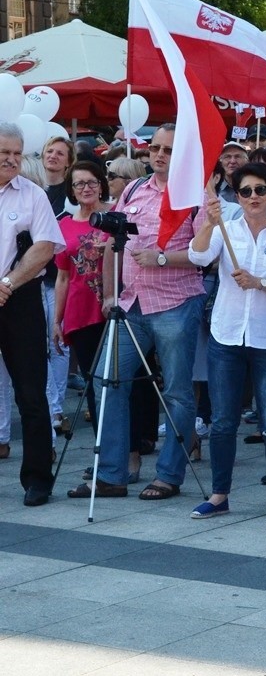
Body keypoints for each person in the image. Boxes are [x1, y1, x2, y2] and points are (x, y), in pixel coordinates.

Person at [67, 124, 206, 500]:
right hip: (131, 304)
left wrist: (161, 258)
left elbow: (204, 255)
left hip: (174, 303)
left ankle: (169, 475)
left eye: (169, 150)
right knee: (106, 380)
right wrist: (110, 294)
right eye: (156, 148)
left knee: (176, 392)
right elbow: (116, 243)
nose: (159, 155)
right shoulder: (133, 188)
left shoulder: (195, 196)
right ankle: (112, 474)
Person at [187, 162, 266, 524]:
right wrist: (209, 222)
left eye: (260, 189)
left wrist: (262, 283)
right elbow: (198, 256)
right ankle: (220, 494)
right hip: (227, 334)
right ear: (236, 196)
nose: (253, 197)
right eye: (245, 191)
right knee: (223, 421)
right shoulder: (228, 228)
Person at [0, 122, 65, 506]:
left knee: (31, 392)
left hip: (19, 298)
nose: (11, 160)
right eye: (3, 152)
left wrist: (7, 284)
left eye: (16, 153)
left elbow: (45, 247)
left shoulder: (33, 195)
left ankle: (37, 479)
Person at [53, 161, 110, 429]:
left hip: (115, 307)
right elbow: (63, 277)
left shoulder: (116, 215)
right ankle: (102, 442)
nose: (86, 188)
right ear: (72, 191)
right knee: (91, 379)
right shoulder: (63, 226)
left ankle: (134, 440)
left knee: (117, 377)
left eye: (91, 182)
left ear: (101, 185)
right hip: (81, 311)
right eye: (79, 184)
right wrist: (57, 320)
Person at [41, 135, 76, 429]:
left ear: (68, 161)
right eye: (49, 151)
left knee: (58, 345)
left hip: (60, 278)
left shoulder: (71, 196)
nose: (53, 156)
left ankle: (55, 409)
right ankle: (48, 405)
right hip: (30, 278)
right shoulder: (30, 187)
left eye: (60, 153)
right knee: (37, 346)